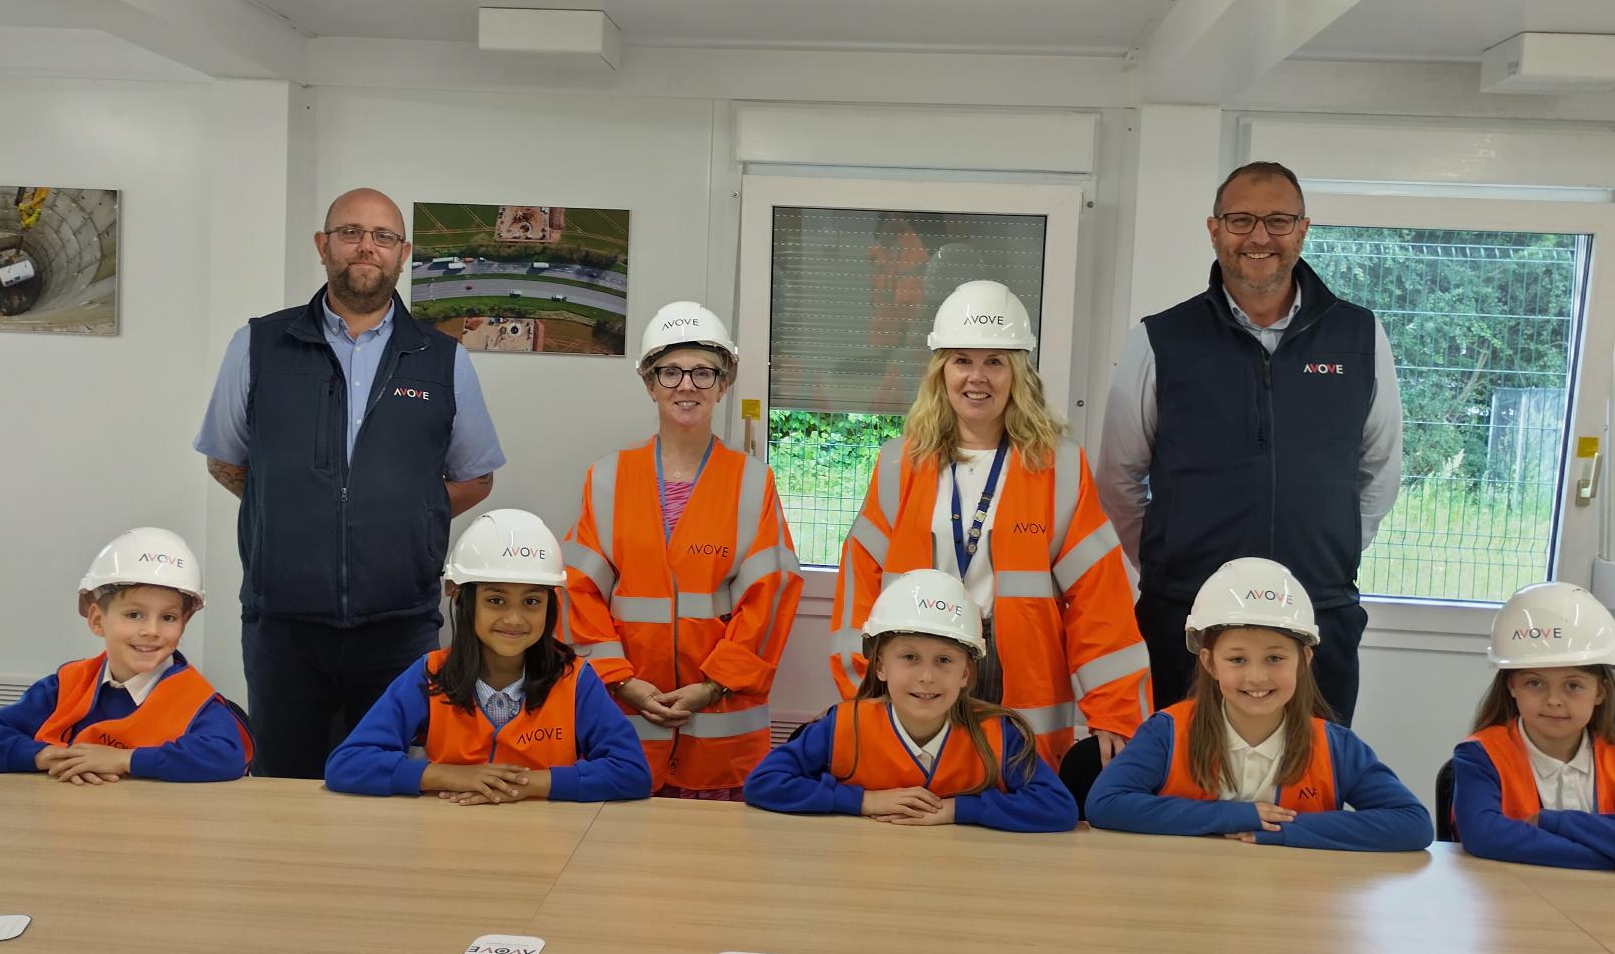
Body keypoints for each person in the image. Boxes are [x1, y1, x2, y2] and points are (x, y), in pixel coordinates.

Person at [194, 188, 504, 779]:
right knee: (283, 792)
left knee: (389, 787)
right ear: (323, 245)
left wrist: (405, 514)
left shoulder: (442, 360)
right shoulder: (258, 345)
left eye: (383, 236)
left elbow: (476, 476)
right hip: (283, 626)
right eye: (351, 232)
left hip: (399, 628)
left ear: (403, 253)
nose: (367, 246)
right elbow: (226, 461)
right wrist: (294, 508)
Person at [1095, 161, 1402, 725]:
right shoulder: (1160, 339)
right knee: (1183, 785)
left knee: (1312, 787)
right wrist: (1171, 562)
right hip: (1187, 618)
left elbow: (1379, 469)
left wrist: (1330, 550)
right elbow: (1118, 476)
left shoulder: (1359, 336)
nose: (1259, 237)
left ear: (1302, 230)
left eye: (1278, 221)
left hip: (1316, 610)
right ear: (1214, 230)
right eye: (1241, 221)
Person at [831, 279, 1147, 769]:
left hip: (1018, 681)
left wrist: (1116, 712)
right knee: (920, 806)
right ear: (941, 371)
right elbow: (861, 589)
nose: (977, 377)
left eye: (994, 362)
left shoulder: (1059, 467)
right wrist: (863, 688)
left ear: (1017, 373)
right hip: (921, 664)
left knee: (1013, 816)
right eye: (962, 360)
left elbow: (1099, 599)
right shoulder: (899, 464)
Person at [563, 302, 803, 799]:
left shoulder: (752, 483)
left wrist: (713, 685)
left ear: (723, 385)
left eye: (702, 372)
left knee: (715, 869)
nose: (686, 385)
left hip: (720, 731)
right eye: (670, 372)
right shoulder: (607, 478)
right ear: (650, 385)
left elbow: (770, 600)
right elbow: (578, 592)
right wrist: (621, 679)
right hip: (623, 719)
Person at [1086, 560, 1430, 851]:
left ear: (1304, 659)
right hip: (1187, 901)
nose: (1256, 676)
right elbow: (1105, 804)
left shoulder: (1336, 747)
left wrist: (1284, 830)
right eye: (1237, 659)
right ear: (1209, 663)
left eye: (1275, 658)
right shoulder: (1167, 732)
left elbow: (1412, 824)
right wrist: (1232, 816)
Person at [325, 510, 650, 804]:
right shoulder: (430, 673)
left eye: (531, 602)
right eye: (496, 600)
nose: (514, 619)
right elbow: (347, 764)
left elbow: (632, 773)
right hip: (451, 845)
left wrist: (532, 783)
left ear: (550, 605)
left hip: (549, 849)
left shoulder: (575, 679)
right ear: (465, 602)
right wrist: (448, 775)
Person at [750, 570, 1076, 832]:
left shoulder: (998, 735)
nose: (927, 677)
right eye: (910, 657)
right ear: (880, 666)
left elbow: (1058, 808)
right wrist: (864, 801)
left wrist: (957, 809)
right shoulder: (843, 725)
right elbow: (764, 784)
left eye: (944, 661)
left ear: (966, 673)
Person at [1451, 582, 1615, 882]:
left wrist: (1556, 823)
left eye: (1573, 685)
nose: (1554, 700)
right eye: (1534, 683)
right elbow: (1484, 837)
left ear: (1600, 691)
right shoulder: (1480, 756)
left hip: (1611, 914)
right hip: (1512, 911)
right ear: (1512, 686)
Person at [0, 529, 251, 783]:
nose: (151, 630)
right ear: (97, 620)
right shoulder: (66, 686)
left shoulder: (194, 700)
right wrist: (43, 756)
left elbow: (226, 756)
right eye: (134, 614)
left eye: (168, 618)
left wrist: (124, 760)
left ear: (183, 624)